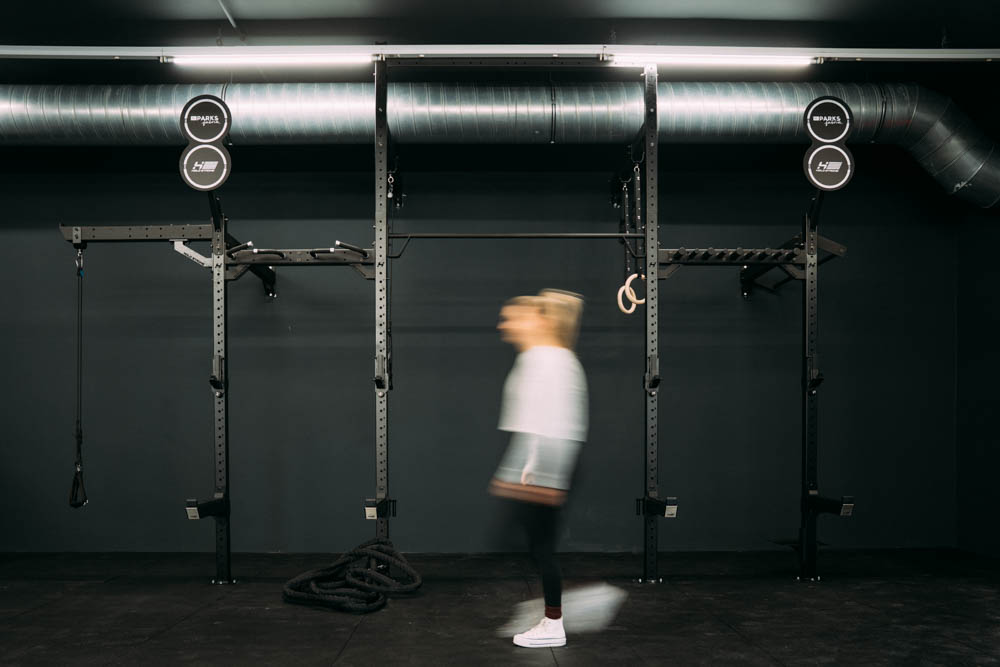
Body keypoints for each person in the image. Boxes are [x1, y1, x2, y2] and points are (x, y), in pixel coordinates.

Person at [489, 289, 588, 649]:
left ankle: (553, 624)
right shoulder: (543, 358)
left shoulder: (548, 360)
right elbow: (533, 423)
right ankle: (551, 616)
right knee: (538, 548)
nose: (506, 325)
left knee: (542, 549)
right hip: (540, 466)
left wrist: (536, 474)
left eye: (513, 317)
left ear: (540, 321)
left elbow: (554, 425)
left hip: (545, 467)